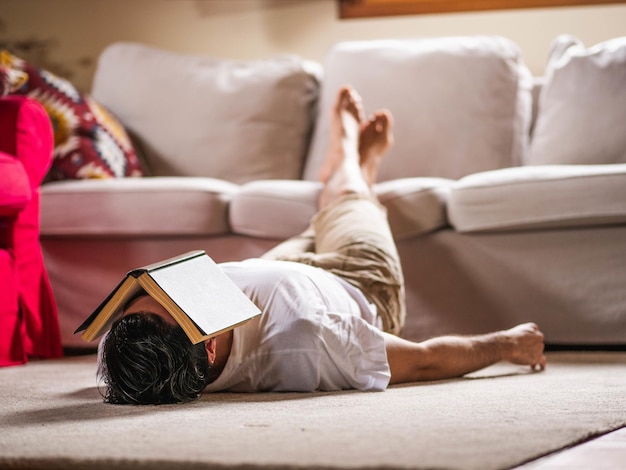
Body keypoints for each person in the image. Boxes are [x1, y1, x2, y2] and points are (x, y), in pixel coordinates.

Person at [98, 86, 546, 405]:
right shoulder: (309, 341)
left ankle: (346, 178)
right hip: (354, 279)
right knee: (347, 200)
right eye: (175, 302)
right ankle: (353, 157)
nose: (160, 288)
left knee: (332, 210)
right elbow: (425, 361)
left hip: (275, 268)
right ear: (210, 347)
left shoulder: (130, 350)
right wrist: (506, 345)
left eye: (145, 299)